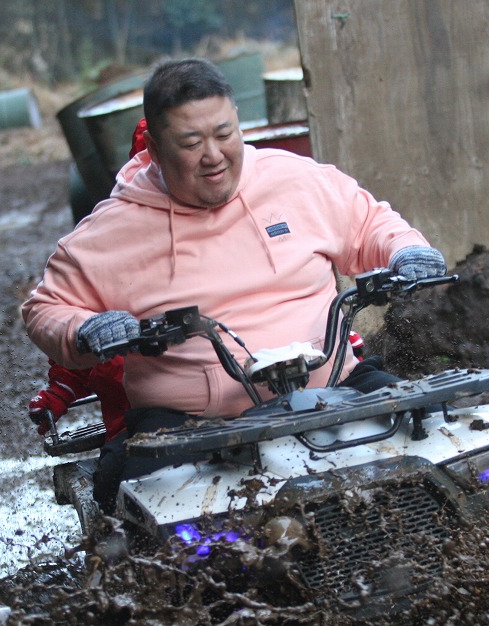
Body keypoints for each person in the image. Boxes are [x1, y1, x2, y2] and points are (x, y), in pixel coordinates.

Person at [22, 57, 447, 511]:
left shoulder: (297, 180)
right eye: (191, 143)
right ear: (156, 149)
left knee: (440, 433)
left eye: (224, 134)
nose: (214, 155)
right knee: (138, 497)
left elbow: (371, 224)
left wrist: (406, 251)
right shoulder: (111, 231)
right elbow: (46, 307)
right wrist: (85, 330)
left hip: (335, 388)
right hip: (189, 423)